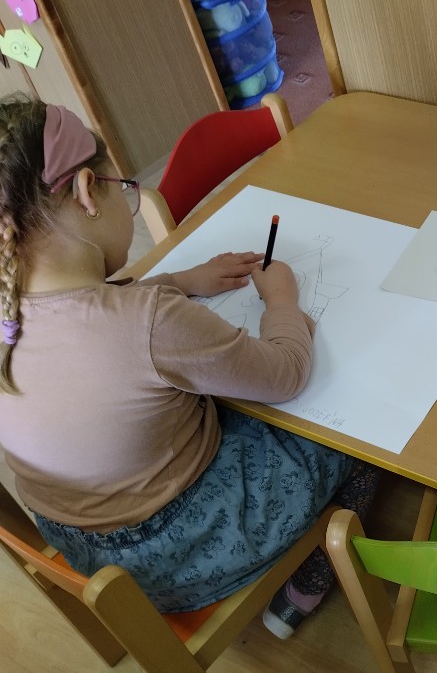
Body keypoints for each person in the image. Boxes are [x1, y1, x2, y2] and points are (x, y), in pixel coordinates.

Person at [0, 94, 380, 639]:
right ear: (86, 192)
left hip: (87, 556)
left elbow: (93, 315)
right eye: (123, 189)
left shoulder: (12, 311)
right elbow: (286, 373)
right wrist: (281, 300)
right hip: (186, 553)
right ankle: (304, 588)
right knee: (360, 435)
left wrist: (180, 281)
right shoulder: (150, 322)